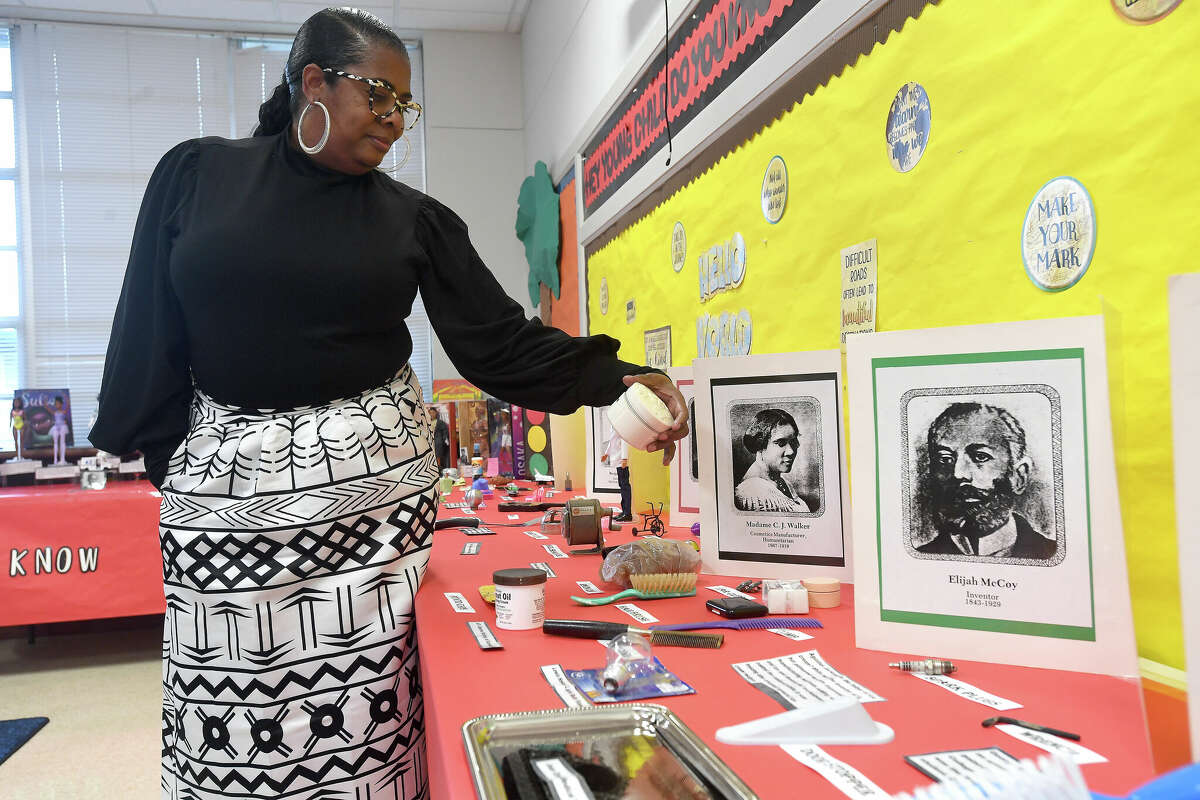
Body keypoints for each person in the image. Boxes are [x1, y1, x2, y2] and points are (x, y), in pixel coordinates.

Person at [87, 9, 688, 800]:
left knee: (366, 741)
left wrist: (620, 378)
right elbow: (146, 333)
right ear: (313, 82)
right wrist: (186, 472)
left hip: (369, 525)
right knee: (229, 738)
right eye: (379, 95)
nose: (395, 121)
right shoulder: (195, 177)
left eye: (406, 106)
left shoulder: (412, 219)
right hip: (225, 523)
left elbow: (498, 345)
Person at [916, 402, 1056, 559]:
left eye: (980, 457)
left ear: (1019, 476)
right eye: (945, 459)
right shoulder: (919, 558)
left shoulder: (1050, 553)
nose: (958, 474)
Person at [734, 408, 810, 513]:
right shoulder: (752, 493)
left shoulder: (784, 484)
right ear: (760, 444)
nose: (791, 451)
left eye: (793, 442)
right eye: (780, 443)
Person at [601, 420, 632, 521]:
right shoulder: (613, 426)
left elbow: (624, 442)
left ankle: (627, 513)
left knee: (625, 487)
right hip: (617, 460)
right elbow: (612, 442)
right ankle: (624, 511)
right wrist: (606, 453)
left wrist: (624, 458)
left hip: (621, 461)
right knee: (622, 486)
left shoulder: (621, 426)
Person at [427, 405, 450, 470]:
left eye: (433, 413)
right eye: (430, 413)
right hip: (429, 442)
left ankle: (439, 468)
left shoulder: (440, 423)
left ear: (436, 413)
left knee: (439, 456)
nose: (431, 414)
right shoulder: (427, 422)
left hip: (438, 443)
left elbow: (445, 432)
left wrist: (444, 440)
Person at [50, 395, 69, 465]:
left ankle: (62, 459)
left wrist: (66, 398)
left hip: (62, 426)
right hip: (56, 427)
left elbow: (68, 405)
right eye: (56, 404)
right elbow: (47, 408)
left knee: (62, 442)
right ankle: (55, 459)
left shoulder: (63, 412)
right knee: (55, 443)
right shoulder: (55, 412)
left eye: (58, 404)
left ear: (61, 404)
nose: (57, 405)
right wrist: (45, 403)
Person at [9, 396, 24, 461]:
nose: (16, 403)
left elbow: (25, 419)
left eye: (17, 402)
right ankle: (17, 455)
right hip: (15, 426)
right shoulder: (12, 411)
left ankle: (21, 455)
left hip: (21, 426)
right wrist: (10, 425)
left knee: (21, 441)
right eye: (15, 402)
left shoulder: (22, 411)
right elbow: (10, 419)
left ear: (20, 403)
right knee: (16, 441)